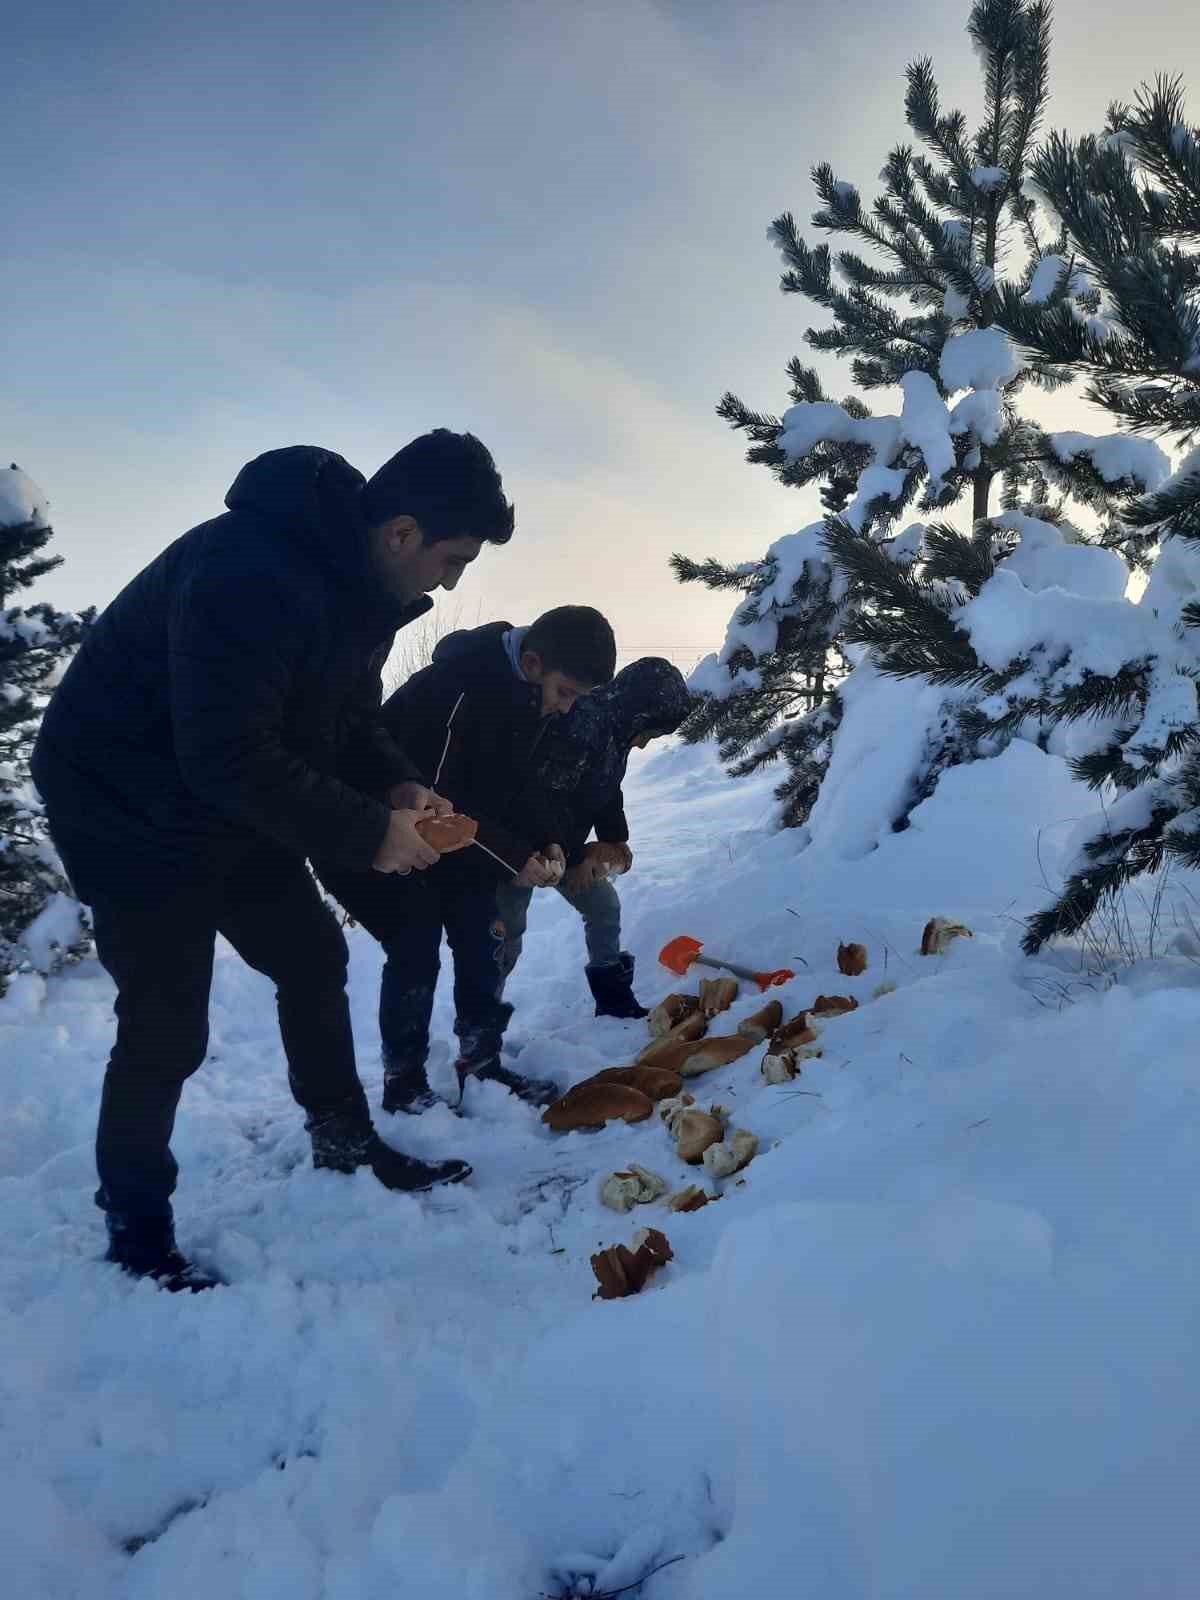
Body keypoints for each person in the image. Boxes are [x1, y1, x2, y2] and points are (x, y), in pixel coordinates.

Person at [31, 431, 513, 1291]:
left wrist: (398, 789)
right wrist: (369, 833)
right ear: (401, 532)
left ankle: (344, 1142)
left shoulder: (357, 593)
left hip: (218, 789)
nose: (452, 582)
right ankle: (138, 1232)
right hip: (123, 803)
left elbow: (345, 725)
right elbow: (227, 756)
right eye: (453, 558)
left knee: (310, 954)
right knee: (167, 1018)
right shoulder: (251, 573)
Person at [318, 606, 617, 1115]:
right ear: (532, 662)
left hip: (459, 842)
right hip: (386, 834)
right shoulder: (458, 686)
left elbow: (520, 785)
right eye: (565, 692)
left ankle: (481, 1062)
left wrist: (546, 841)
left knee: (485, 938)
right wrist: (513, 854)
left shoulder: (532, 700)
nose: (568, 708)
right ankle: (404, 1083)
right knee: (414, 947)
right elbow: (438, 798)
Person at [495, 656, 692, 1017]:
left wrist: (614, 840)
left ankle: (613, 1000)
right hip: (516, 848)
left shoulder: (614, 733)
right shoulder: (579, 725)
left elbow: (605, 790)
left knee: (603, 906)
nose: (646, 744)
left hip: (563, 850)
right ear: (639, 714)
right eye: (650, 733)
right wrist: (573, 859)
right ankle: (479, 1035)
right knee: (505, 939)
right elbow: (542, 797)